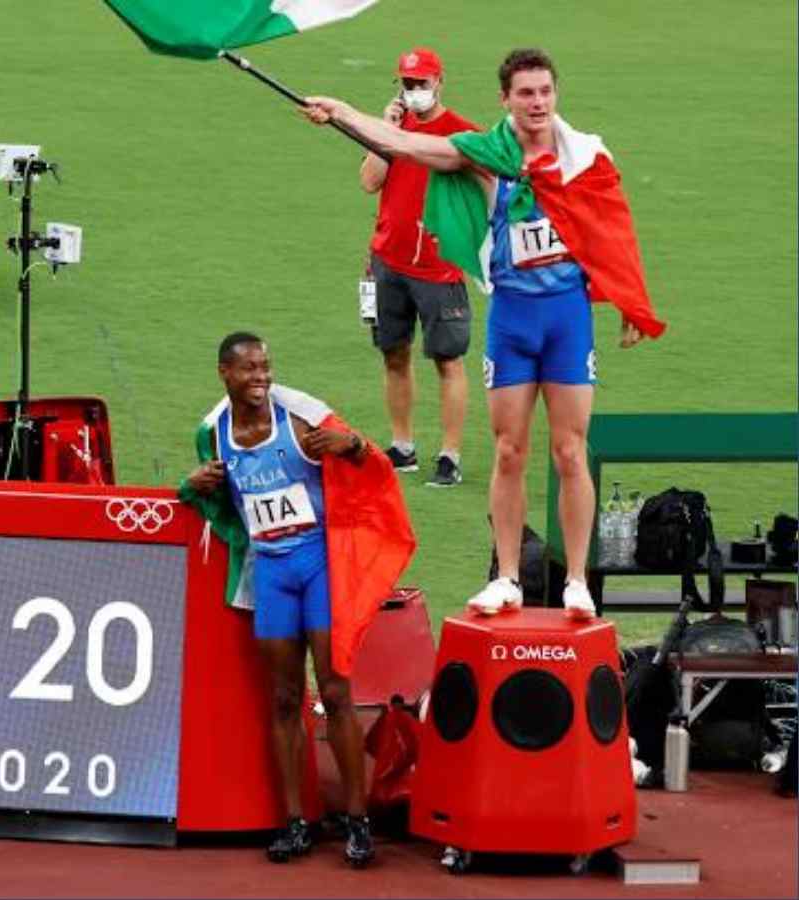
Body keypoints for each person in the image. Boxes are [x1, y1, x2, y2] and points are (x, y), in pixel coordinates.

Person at [300, 48, 665, 619]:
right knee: (508, 450)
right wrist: (344, 111)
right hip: (513, 320)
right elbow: (410, 146)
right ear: (506, 100)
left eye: (545, 91)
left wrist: (627, 298)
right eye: (526, 93)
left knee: (571, 451)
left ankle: (575, 581)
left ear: (556, 93)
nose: (538, 102)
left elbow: (611, 229)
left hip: (567, 320)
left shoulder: (587, 156)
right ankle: (510, 579)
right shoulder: (487, 155)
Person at [179, 332, 414, 867]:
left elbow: (370, 463)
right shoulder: (213, 431)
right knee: (284, 699)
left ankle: (357, 822)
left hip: (318, 564)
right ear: (224, 373)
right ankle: (294, 822)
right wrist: (191, 486)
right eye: (249, 369)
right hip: (271, 572)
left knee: (334, 690)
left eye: (266, 367)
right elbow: (207, 494)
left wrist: (351, 446)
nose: (260, 378)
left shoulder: (302, 415)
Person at [358, 48, 478, 486]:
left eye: (422, 84)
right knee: (394, 353)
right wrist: (385, 130)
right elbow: (370, 181)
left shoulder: (462, 134)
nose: (414, 92)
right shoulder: (394, 129)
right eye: (408, 84)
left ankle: (450, 454)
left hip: (439, 267)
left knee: (448, 359)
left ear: (439, 82)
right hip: (388, 258)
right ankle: (403, 447)